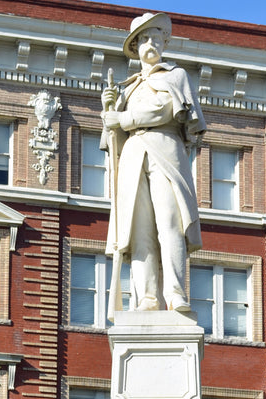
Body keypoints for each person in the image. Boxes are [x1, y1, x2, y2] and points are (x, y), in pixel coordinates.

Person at [101, 12, 205, 314]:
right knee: (140, 229)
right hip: (134, 154)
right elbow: (112, 138)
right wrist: (108, 111)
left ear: (164, 42)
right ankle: (146, 297)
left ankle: (175, 294)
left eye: (155, 38)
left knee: (169, 223)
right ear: (135, 47)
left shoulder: (175, 76)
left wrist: (122, 118)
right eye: (144, 39)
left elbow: (166, 108)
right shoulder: (127, 88)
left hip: (165, 149)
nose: (150, 43)